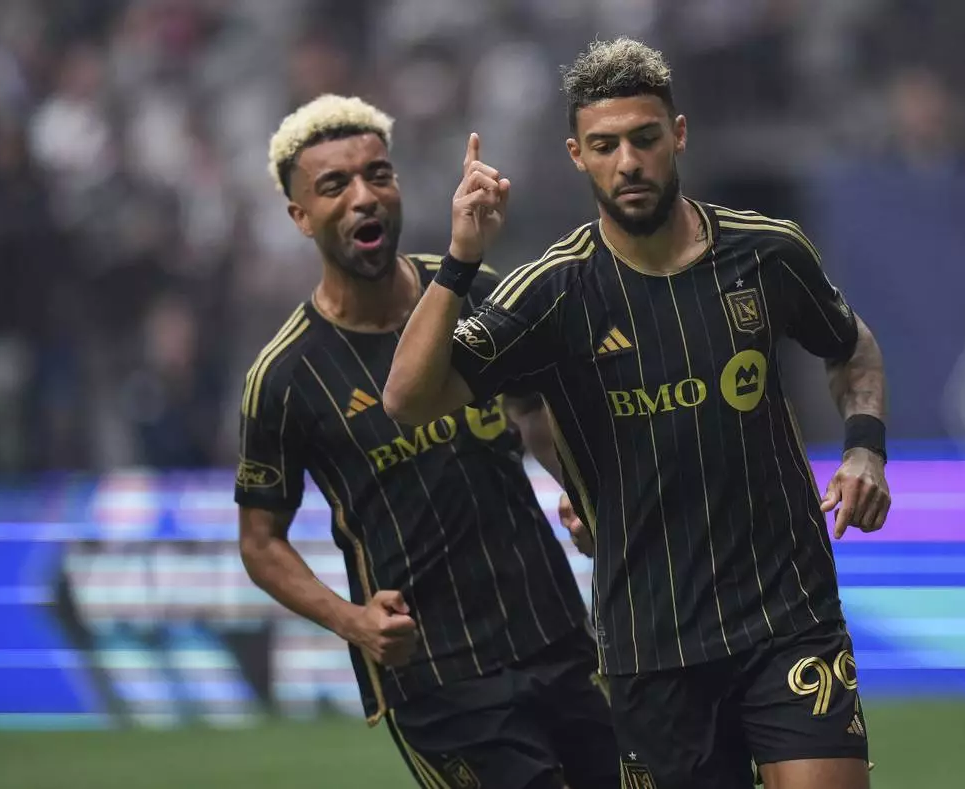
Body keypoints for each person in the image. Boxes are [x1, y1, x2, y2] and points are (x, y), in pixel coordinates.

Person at [384, 38, 892, 789]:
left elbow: (852, 347)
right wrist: (460, 260)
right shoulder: (551, 293)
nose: (628, 162)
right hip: (649, 645)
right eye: (605, 145)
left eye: (644, 138)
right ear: (576, 155)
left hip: (787, 616)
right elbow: (407, 398)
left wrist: (864, 450)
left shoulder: (767, 253)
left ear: (677, 135)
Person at [235, 94, 619, 789]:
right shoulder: (285, 377)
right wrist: (353, 621)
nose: (363, 196)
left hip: (558, 633)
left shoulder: (476, 293)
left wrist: (581, 491)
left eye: (378, 174)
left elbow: (535, 411)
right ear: (300, 216)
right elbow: (261, 542)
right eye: (334, 185)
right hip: (438, 677)